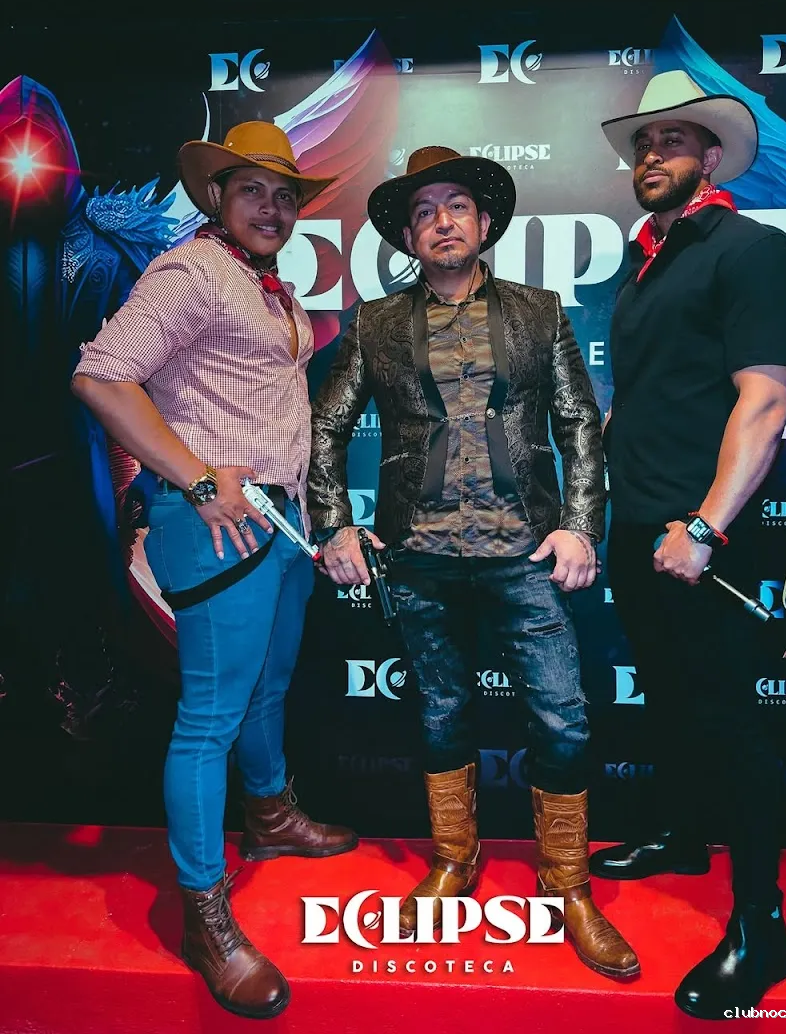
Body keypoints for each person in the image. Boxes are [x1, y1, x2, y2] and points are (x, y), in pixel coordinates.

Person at [308, 145, 639, 979]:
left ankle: (568, 883)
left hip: (525, 552)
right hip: (417, 556)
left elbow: (579, 424)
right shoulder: (376, 323)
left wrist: (582, 526)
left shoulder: (539, 311)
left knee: (562, 719)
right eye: (423, 212)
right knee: (439, 715)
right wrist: (335, 525)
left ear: (485, 222)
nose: (442, 222)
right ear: (407, 237)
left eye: (456, 205)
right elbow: (328, 426)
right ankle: (455, 859)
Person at [71, 121, 357, 1020]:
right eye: (251, 191)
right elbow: (101, 376)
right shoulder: (191, 271)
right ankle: (205, 916)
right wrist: (196, 478)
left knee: (267, 688)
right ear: (216, 198)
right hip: (216, 523)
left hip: (279, 520)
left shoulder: (262, 283)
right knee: (210, 718)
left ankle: (270, 816)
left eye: (284, 195)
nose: (271, 208)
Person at [596, 71, 786, 1018]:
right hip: (642, 527)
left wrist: (707, 527)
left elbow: (765, 401)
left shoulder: (752, 250)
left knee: (729, 724)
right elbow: (649, 397)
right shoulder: (646, 260)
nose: (653, 154)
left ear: (711, 158)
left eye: (673, 140)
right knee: (672, 701)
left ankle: (762, 927)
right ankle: (682, 838)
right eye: (645, 143)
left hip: (704, 535)